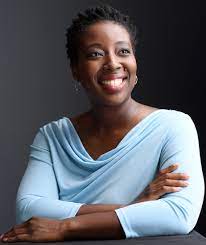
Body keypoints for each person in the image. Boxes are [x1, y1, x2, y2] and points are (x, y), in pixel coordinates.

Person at [0, 4, 204, 243]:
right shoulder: (52, 137)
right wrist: (135, 205)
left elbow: (179, 214)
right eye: (95, 54)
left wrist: (64, 227)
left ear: (135, 62)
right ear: (76, 70)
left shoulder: (174, 126)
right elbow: (28, 210)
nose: (112, 63)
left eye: (123, 51)